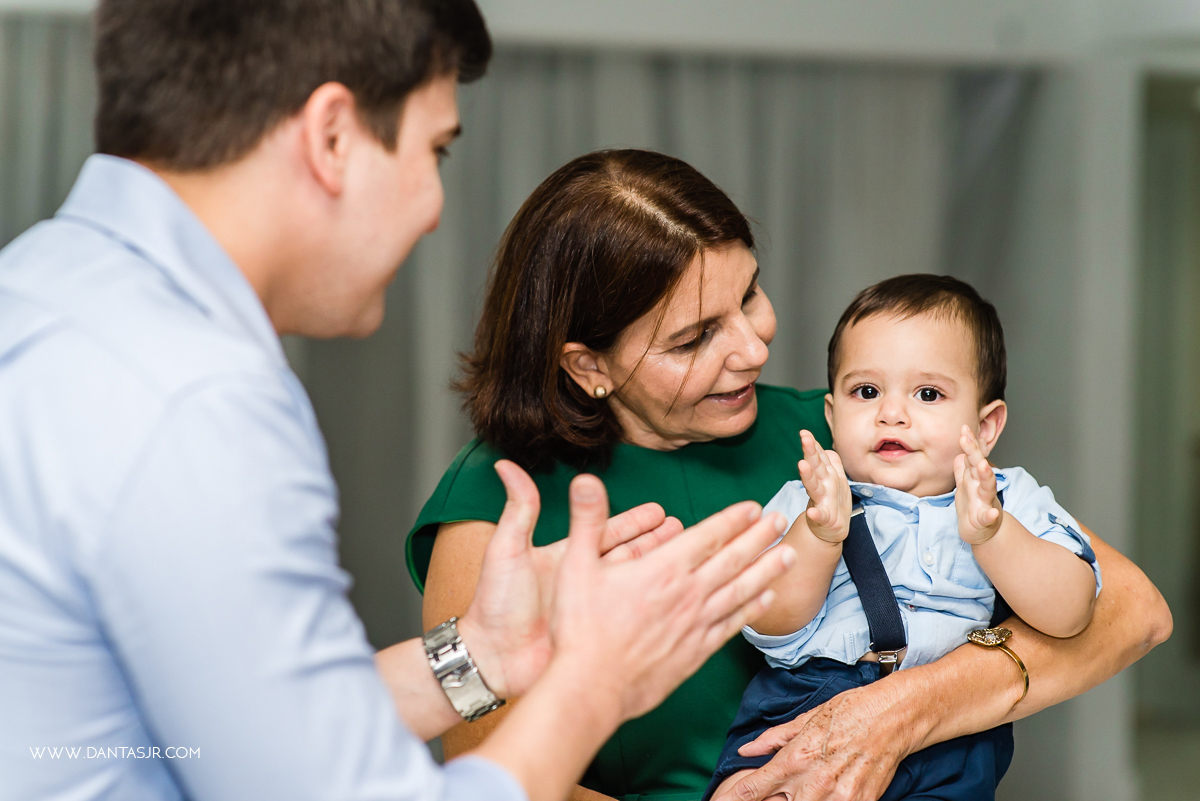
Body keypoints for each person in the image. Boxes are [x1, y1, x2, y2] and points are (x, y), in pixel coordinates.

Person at [0, 4, 800, 801]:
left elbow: (237, 725)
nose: (434, 208)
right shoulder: (196, 398)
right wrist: (600, 680)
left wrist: (479, 650)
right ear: (334, 136)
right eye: (436, 150)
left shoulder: (42, 289)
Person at [410, 149, 1174, 801]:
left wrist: (906, 708)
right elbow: (488, 778)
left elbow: (1130, 609)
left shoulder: (854, 431)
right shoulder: (497, 502)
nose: (751, 347)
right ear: (588, 364)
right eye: (695, 337)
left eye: (749, 294)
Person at [706, 274, 1102, 801]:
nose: (891, 412)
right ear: (831, 415)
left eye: (928, 393)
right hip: (805, 700)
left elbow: (1071, 611)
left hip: (953, 720)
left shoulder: (1009, 498)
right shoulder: (814, 495)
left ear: (986, 427)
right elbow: (766, 620)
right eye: (866, 391)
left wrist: (994, 534)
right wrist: (820, 536)